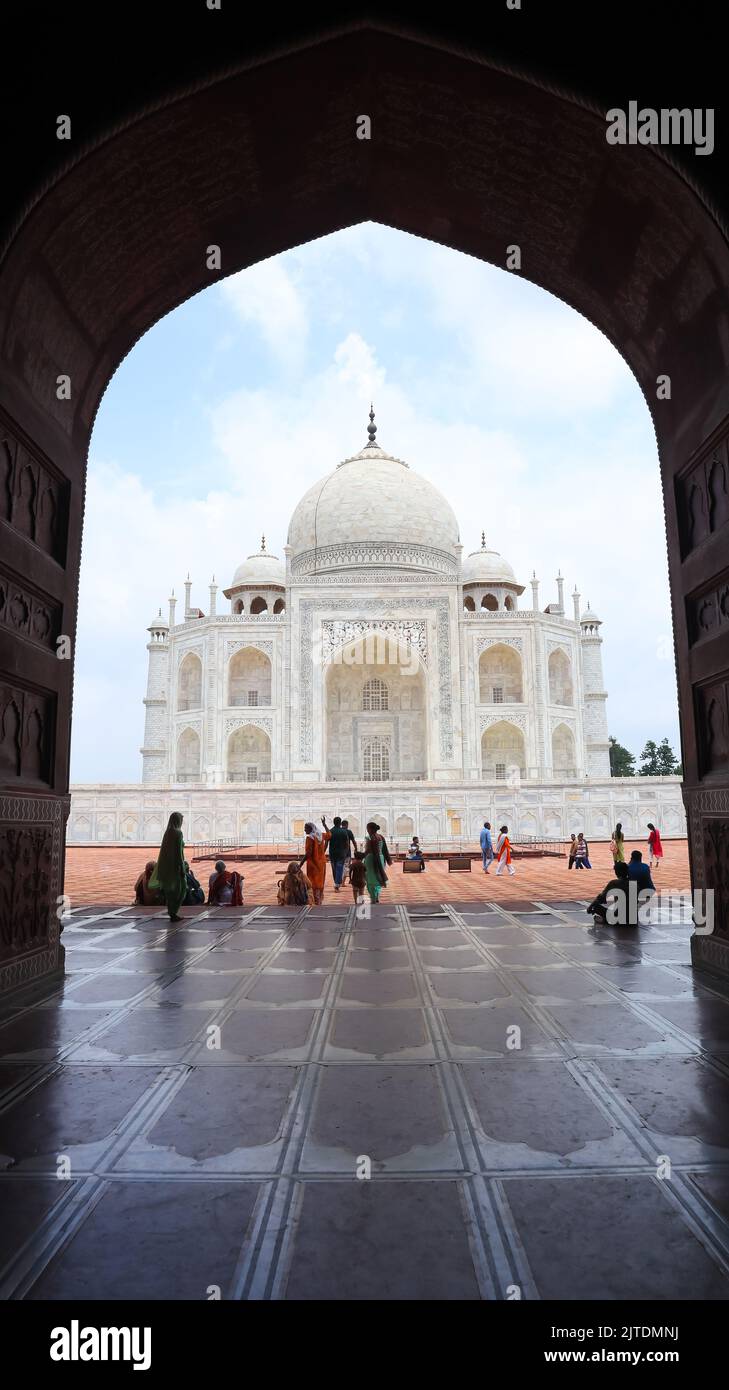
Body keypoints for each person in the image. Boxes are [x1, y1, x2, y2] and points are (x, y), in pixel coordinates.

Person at [148, 812, 188, 922]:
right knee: (181, 890)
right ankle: (173, 912)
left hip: (168, 867)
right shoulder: (178, 833)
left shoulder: (168, 833)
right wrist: (182, 868)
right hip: (176, 867)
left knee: (170, 891)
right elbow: (179, 853)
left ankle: (172, 913)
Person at [301, 819, 331, 905]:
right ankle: (319, 900)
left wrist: (301, 863)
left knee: (313, 882)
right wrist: (324, 825)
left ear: (310, 829)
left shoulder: (310, 838)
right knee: (320, 881)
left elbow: (308, 853)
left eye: (306, 828)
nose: (304, 830)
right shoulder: (320, 835)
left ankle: (315, 900)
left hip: (313, 864)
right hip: (321, 863)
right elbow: (329, 835)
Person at [363, 821, 392, 903]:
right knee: (378, 876)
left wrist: (360, 856)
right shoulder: (381, 837)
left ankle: (372, 897)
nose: (367, 830)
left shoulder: (370, 838)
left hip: (371, 859)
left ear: (370, 829)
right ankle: (377, 896)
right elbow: (384, 850)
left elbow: (368, 850)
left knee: (370, 878)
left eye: (367, 828)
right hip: (380, 858)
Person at [326, 815, 350, 891]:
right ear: (340, 823)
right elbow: (347, 843)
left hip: (332, 853)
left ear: (333, 822)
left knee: (334, 869)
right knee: (339, 868)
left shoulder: (331, 831)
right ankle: (337, 884)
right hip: (341, 853)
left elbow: (326, 843)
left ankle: (336, 883)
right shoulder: (343, 831)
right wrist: (346, 852)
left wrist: (323, 851)